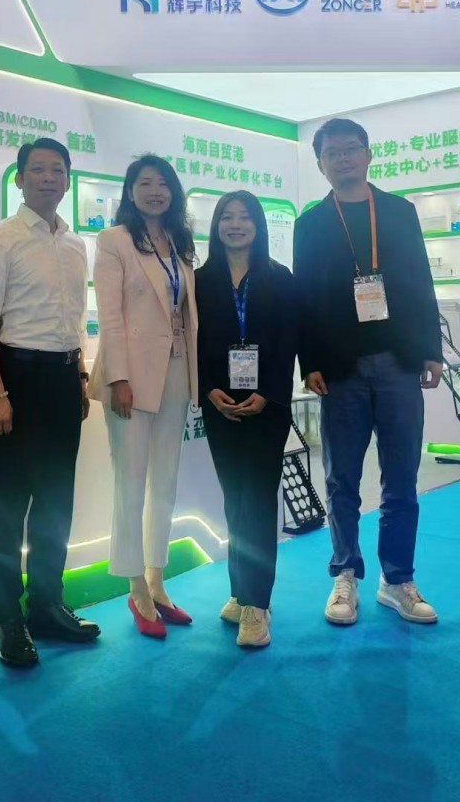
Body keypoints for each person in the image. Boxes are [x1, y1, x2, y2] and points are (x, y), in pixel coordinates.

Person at [293, 117, 443, 627]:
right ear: (320, 163)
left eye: (350, 149)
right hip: (341, 369)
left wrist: (431, 350)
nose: (343, 158)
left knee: (402, 476)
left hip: (399, 363)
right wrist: (310, 362)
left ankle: (397, 579)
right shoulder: (311, 223)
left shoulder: (399, 212)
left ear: (368, 154)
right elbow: (305, 299)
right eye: (332, 152)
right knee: (342, 479)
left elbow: (420, 281)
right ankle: (344, 574)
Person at [0, 138, 100, 667]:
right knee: (8, 503)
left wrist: (81, 377)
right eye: (38, 169)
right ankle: (6, 618)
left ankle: (46, 604)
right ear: (20, 179)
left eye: (57, 170)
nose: (49, 178)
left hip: (64, 380)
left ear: (67, 180)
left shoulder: (75, 244)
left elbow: (74, 321)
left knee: (55, 501)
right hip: (16, 379)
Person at [89, 155, 198, 638]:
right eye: (144, 183)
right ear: (130, 192)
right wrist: (118, 377)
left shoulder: (180, 242)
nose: (155, 191)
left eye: (163, 183)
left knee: (166, 481)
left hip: (177, 369)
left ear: (173, 192)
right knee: (131, 483)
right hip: (131, 377)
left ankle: (157, 579)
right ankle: (135, 588)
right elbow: (110, 316)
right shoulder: (114, 240)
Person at [195, 191, 296, 649]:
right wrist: (207, 390)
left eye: (244, 217)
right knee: (234, 499)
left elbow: (288, 342)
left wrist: (268, 394)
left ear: (258, 226)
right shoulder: (200, 280)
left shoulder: (279, 277)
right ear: (216, 225)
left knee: (257, 500)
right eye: (227, 217)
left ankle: (258, 605)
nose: (235, 225)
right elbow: (194, 343)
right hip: (220, 404)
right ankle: (239, 591)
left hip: (267, 406)